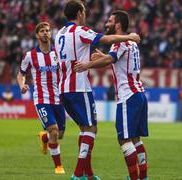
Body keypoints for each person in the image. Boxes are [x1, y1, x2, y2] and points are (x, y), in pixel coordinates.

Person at [54, 1, 140, 179]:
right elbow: (106, 39)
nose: (84, 14)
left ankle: (89, 174)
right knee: (91, 129)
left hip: (63, 88)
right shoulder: (80, 31)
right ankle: (78, 175)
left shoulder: (59, 34)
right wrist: (129, 36)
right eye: (83, 11)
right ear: (79, 13)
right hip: (79, 87)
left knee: (84, 129)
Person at [74, 10, 148, 180]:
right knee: (136, 139)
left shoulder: (118, 43)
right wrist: (103, 56)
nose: (106, 24)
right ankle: (143, 177)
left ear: (118, 25)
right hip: (139, 94)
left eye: (110, 21)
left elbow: (111, 59)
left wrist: (88, 64)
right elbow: (117, 61)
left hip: (127, 96)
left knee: (123, 139)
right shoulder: (132, 44)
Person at [17, 22, 66, 174]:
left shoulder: (58, 53)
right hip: (41, 98)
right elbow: (21, 74)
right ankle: (58, 166)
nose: (46, 33)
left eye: (48, 30)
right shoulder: (30, 56)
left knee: (60, 134)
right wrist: (22, 85)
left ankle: (44, 137)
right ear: (37, 35)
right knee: (54, 131)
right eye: (42, 31)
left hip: (58, 98)